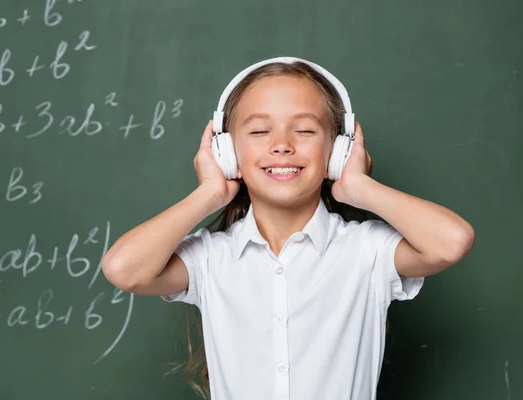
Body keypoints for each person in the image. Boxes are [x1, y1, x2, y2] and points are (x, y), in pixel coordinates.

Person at [101, 57, 475, 400]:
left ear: (338, 151)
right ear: (227, 154)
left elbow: (451, 242)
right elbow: (124, 269)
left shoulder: (365, 251)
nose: (282, 145)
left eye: (305, 131)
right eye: (260, 131)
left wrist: (361, 188)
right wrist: (209, 193)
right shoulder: (211, 258)